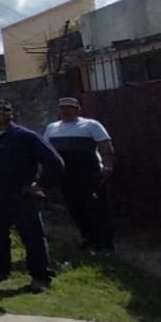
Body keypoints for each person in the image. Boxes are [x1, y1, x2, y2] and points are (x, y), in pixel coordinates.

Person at [0, 99, 64, 293]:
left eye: (5, 109)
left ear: (12, 113)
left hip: (21, 195)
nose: (1, 113)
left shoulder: (26, 137)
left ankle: (40, 276)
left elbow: (54, 162)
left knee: (32, 236)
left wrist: (39, 185)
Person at [44, 98, 115, 253]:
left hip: (89, 174)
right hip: (66, 175)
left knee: (96, 209)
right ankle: (88, 238)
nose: (66, 111)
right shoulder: (52, 128)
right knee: (75, 208)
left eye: (70, 108)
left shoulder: (90, 125)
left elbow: (105, 145)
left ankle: (105, 244)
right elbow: (47, 151)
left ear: (77, 109)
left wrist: (108, 166)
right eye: (62, 108)